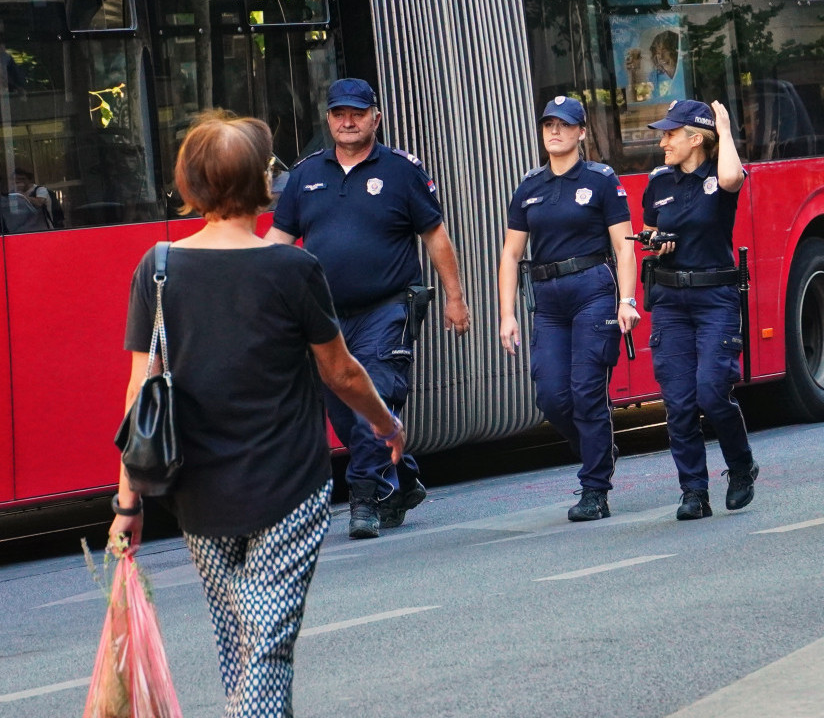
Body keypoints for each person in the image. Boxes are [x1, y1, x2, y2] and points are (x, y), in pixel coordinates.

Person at [109, 110, 406, 716]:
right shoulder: (293, 268)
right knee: (265, 646)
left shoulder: (158, 268)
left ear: (190, 185)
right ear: (265, 186)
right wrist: (386, 423)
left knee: (242, 642)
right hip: (288, 487)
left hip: (198, 492)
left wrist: (128, 503)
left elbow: (141, 395)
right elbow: (342, 371)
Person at [267, 77, 471, 538]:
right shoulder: (305, 175)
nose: (348, 121)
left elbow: (436, 237)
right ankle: (403, 479)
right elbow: (278, 241)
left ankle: (364, 497)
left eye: (357, 113)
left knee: (371, 402)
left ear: (375, 118)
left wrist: (454, 299)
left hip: (387, 310)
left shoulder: (402, 171)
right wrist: (246, 286)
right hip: (324, 319)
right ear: (328, 120)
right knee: (343, 411)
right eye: (340, 113)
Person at [499, 96, 641, 521]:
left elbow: (624, 245)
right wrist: (506, 314)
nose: (554, 132)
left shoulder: (600, 180)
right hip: (548, 298)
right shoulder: (529, 186)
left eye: (564, 125)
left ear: (581, 132)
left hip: (592, 291)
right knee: (551, 396)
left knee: (585, 392)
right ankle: (600, 450)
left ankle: (594, 488)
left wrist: (627, 299)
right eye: (548, 126)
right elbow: (510, 255)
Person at [642, 99, 758, 520]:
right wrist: (656, 245)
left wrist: (725, 129)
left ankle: (741, 465)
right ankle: (693, 490)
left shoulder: (719, 175)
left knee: (712, 391)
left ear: (696, 139)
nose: (663, 142)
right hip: (672, 301)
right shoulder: (659, 183)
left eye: (671, 134)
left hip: (714, 299)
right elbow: (650, 235)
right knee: (678, 401)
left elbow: (731, 176)